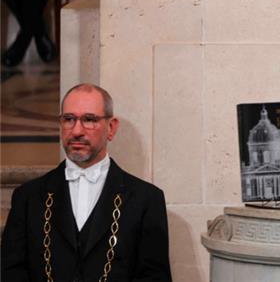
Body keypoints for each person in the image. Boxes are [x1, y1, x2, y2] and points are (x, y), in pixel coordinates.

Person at [1, 83, 172, 281]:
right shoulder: (28, 197)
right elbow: (11, 273)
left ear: (111, 127)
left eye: (89, 119)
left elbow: (155, 278)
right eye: (69, 119)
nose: (76, 131)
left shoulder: (147, 199)